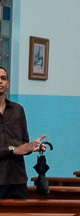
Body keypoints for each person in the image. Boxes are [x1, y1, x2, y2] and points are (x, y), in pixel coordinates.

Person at [0, 65, 47, 198]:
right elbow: (16, 149)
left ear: (7, 84)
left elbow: (23, 144)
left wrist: (33, 147)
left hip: (17, 178)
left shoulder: (17, 110)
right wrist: (12, 150)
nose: (0, 81)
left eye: (3, 78)